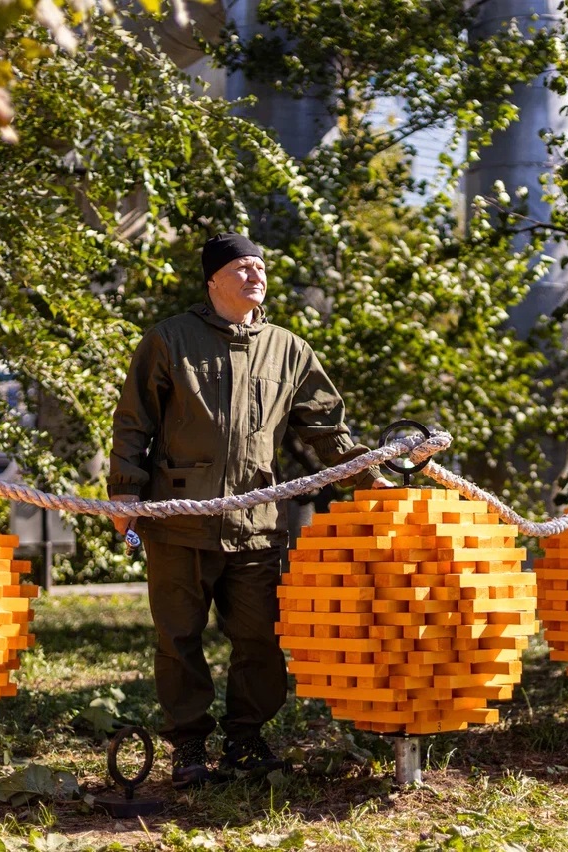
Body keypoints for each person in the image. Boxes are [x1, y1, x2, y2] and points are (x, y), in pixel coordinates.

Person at [108, 233, 390, 788]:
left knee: (260, 637)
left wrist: (372, 476)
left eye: (260, 266)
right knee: (178, 638)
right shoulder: (169, 340)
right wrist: (124, 492)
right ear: (213, 280)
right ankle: (188, 746)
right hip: (178, 520)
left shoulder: (289, 349)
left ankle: (245, 739)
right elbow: (133, 420)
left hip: (257, 526)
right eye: (240, 267)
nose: (254, 275)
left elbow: (327, 431)